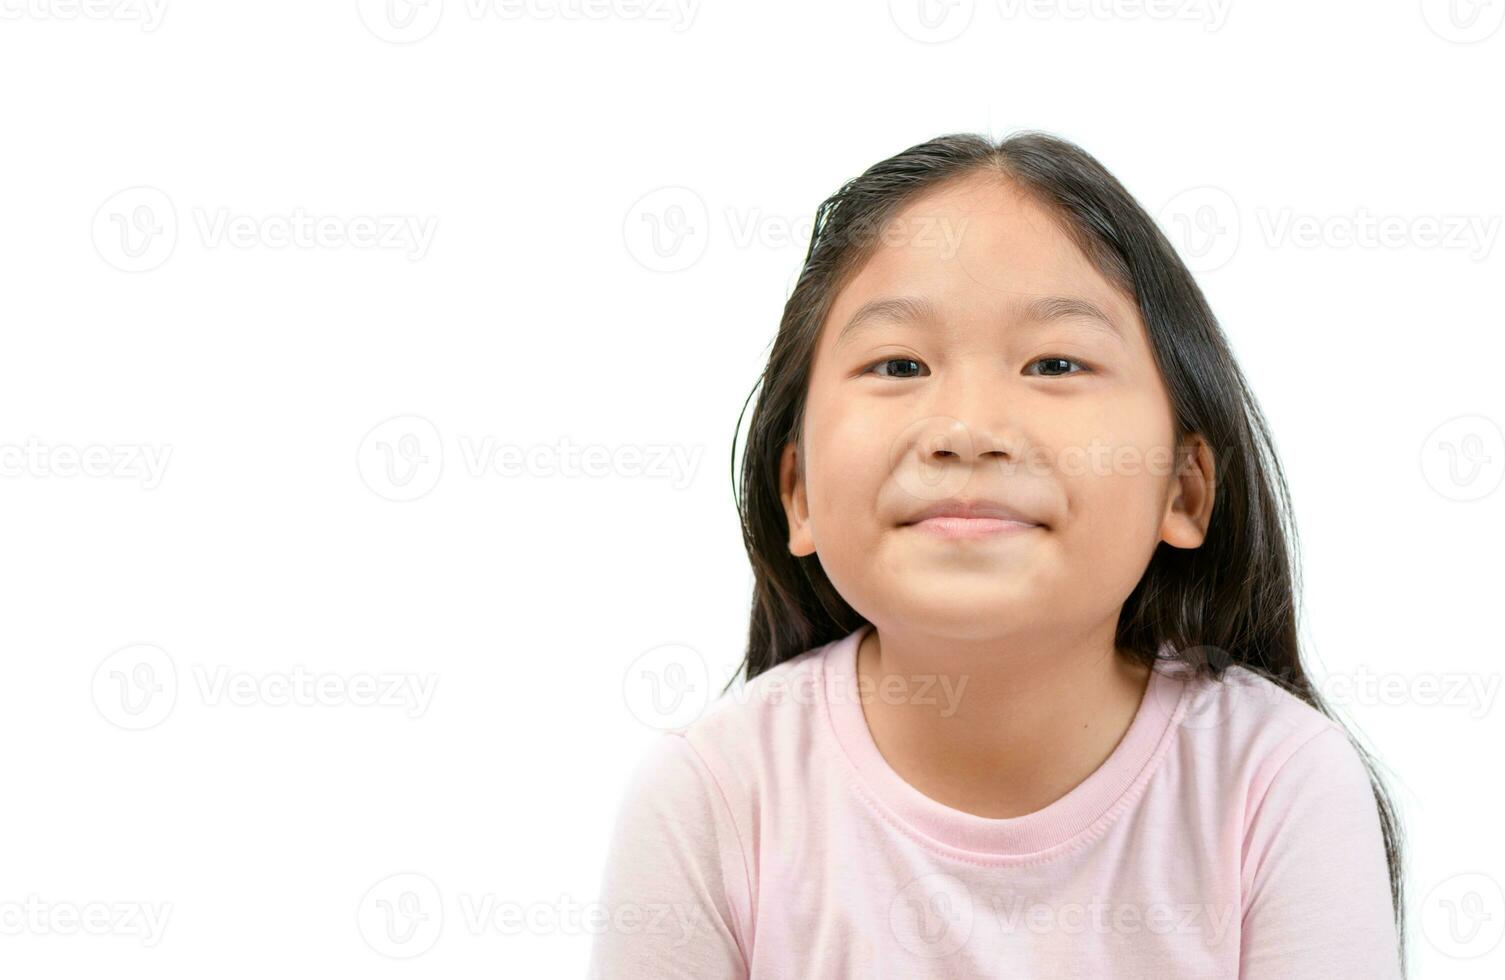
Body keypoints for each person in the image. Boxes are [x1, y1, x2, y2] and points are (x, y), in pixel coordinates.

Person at [588, 131, 1406, 978]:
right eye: (898, 364)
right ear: (796, 493)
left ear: (1183, 489)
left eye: (1054, 362)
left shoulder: (1272, 781)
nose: (969, 430)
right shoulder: (716, 794)